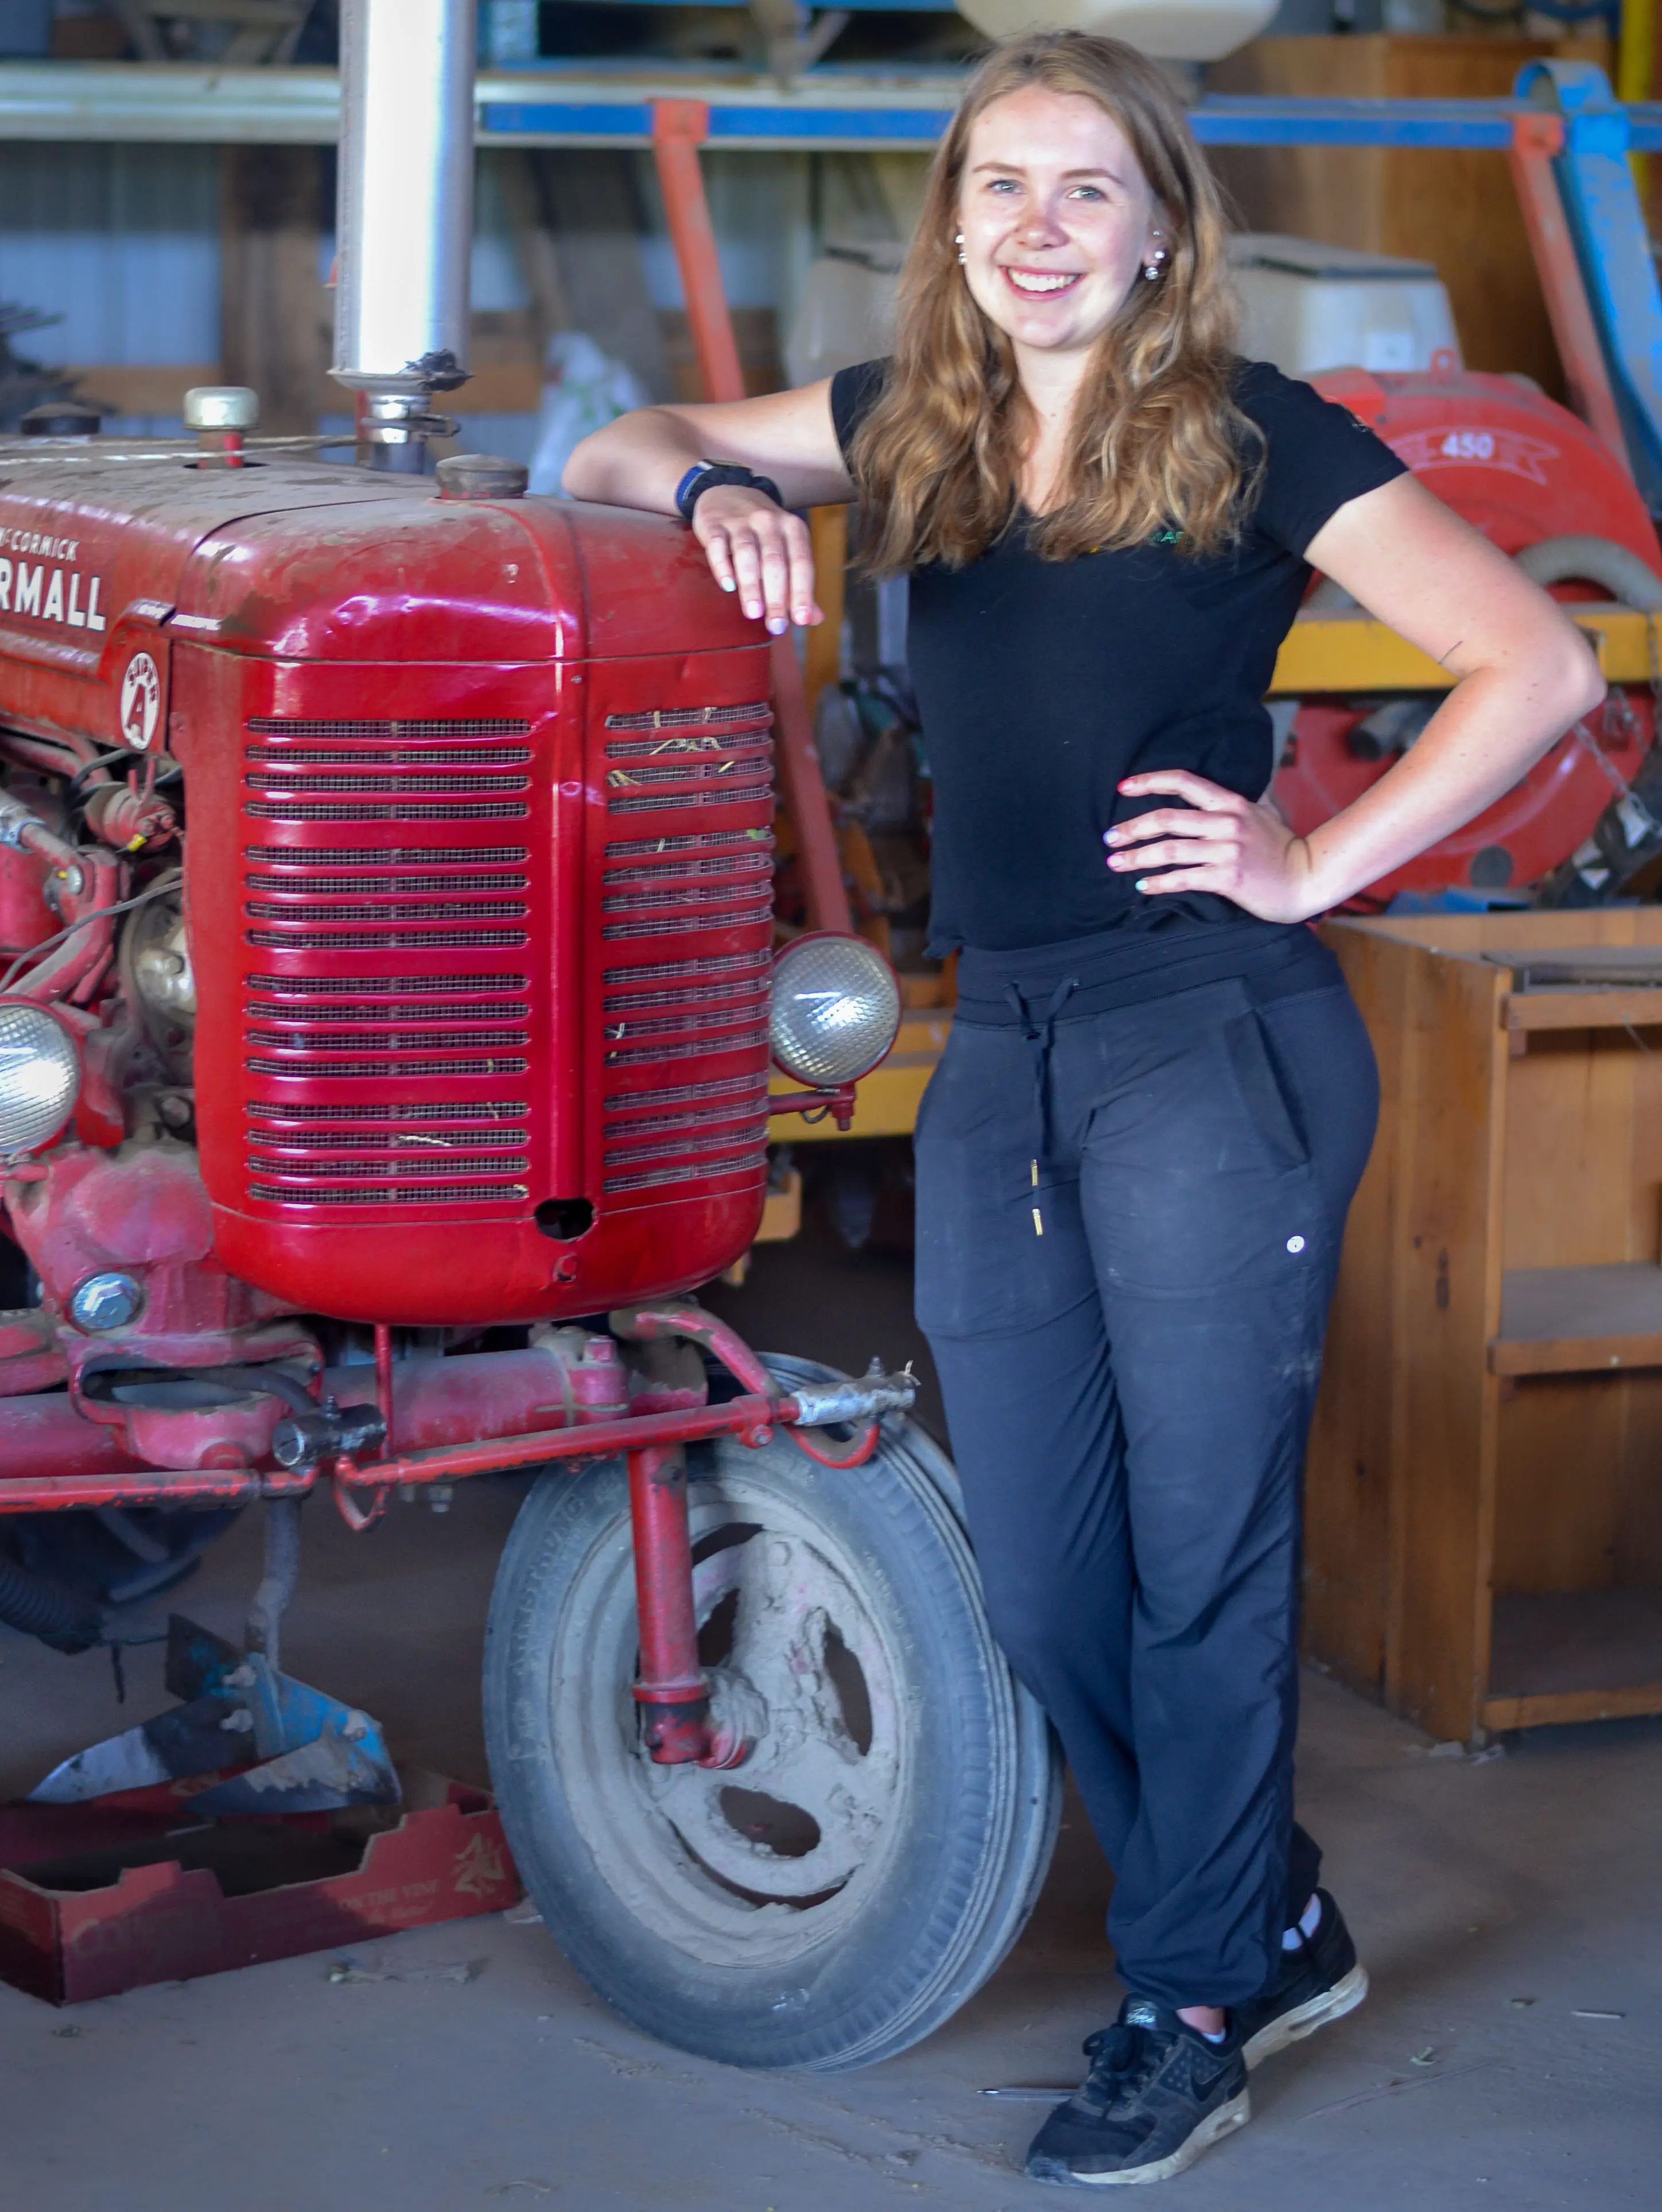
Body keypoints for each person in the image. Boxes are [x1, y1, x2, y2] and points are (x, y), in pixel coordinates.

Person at [565, 28, 1602, 2187]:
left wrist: (1313, 863)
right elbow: (614, 438)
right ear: (956, 218)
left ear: (1157, 233)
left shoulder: (1249, 435)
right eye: (1001, 188)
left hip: (1211, 1033)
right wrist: (714, 486)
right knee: (1042, 1574)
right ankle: (1268, 1915)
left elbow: (1543, 663)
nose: (1039, 230)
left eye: (1086, 192)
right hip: (1005, 1046)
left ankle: (1192, 1997)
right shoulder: (908, 428)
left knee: (1200, 1564)